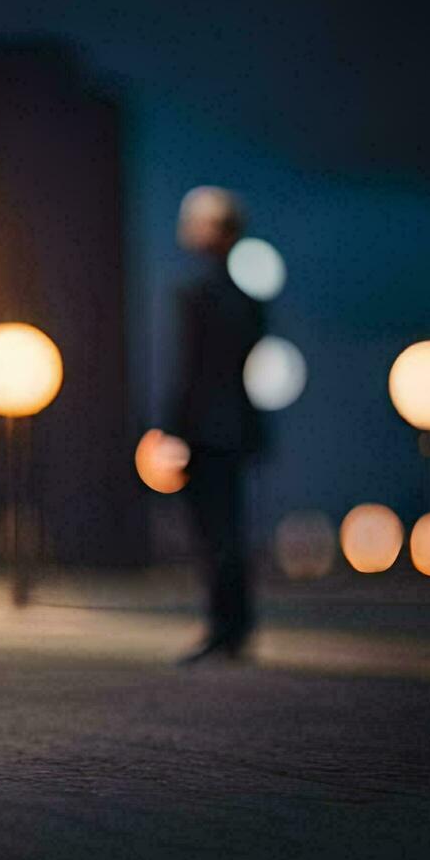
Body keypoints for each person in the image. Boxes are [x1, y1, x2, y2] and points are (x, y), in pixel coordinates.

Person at [166, 186, 266, 664]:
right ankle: (236, 627)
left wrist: (173, 430)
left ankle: (223, 627)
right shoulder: (248, 301)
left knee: (212, 531)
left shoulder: (197, 295)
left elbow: (191, 371)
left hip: (205, 430)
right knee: (230, 527)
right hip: (236, 429)